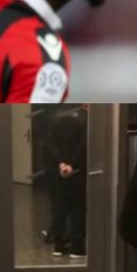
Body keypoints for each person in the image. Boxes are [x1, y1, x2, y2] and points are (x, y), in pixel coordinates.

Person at [46, 107, 88, 258]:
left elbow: (50, 144)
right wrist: (73, 165)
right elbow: (83, 145)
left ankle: (59, 245)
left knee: (59, 209)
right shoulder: (84, 118)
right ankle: (76, 247)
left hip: (58, 172)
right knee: (78, 209)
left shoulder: (55, 116)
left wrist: (60, 163)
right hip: (78, 172)